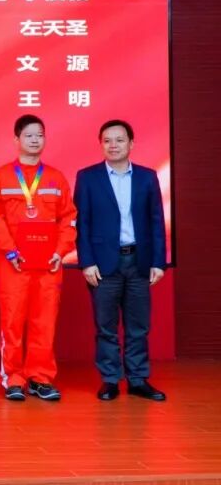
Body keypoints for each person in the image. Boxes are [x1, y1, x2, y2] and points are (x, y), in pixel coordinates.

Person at [0, 114, 77, 402]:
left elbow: (69, 218)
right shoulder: (1, 177)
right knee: (12, 321)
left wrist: (60, 252)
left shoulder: (56, 178)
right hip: (12, 263)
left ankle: (40, 378)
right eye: (29, 135)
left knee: (44, 321)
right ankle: (13, 378)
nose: (35, 140)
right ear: (17, 140)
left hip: (48, 264)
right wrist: (10, 250)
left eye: (40, 135)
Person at [73, 119, 167, 402]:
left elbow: (156, 221)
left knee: (138, 326)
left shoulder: (147, 177)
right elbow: (81, 223)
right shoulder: (88, 177)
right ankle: (111, 380)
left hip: (139, 260)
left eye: (119, 140)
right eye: (107, 141)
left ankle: (138, 380)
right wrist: (86, 262)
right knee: (106, 326)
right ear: (101, 145)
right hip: (102, 264)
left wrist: (158, 262)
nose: (113, 145)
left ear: (131, 143)